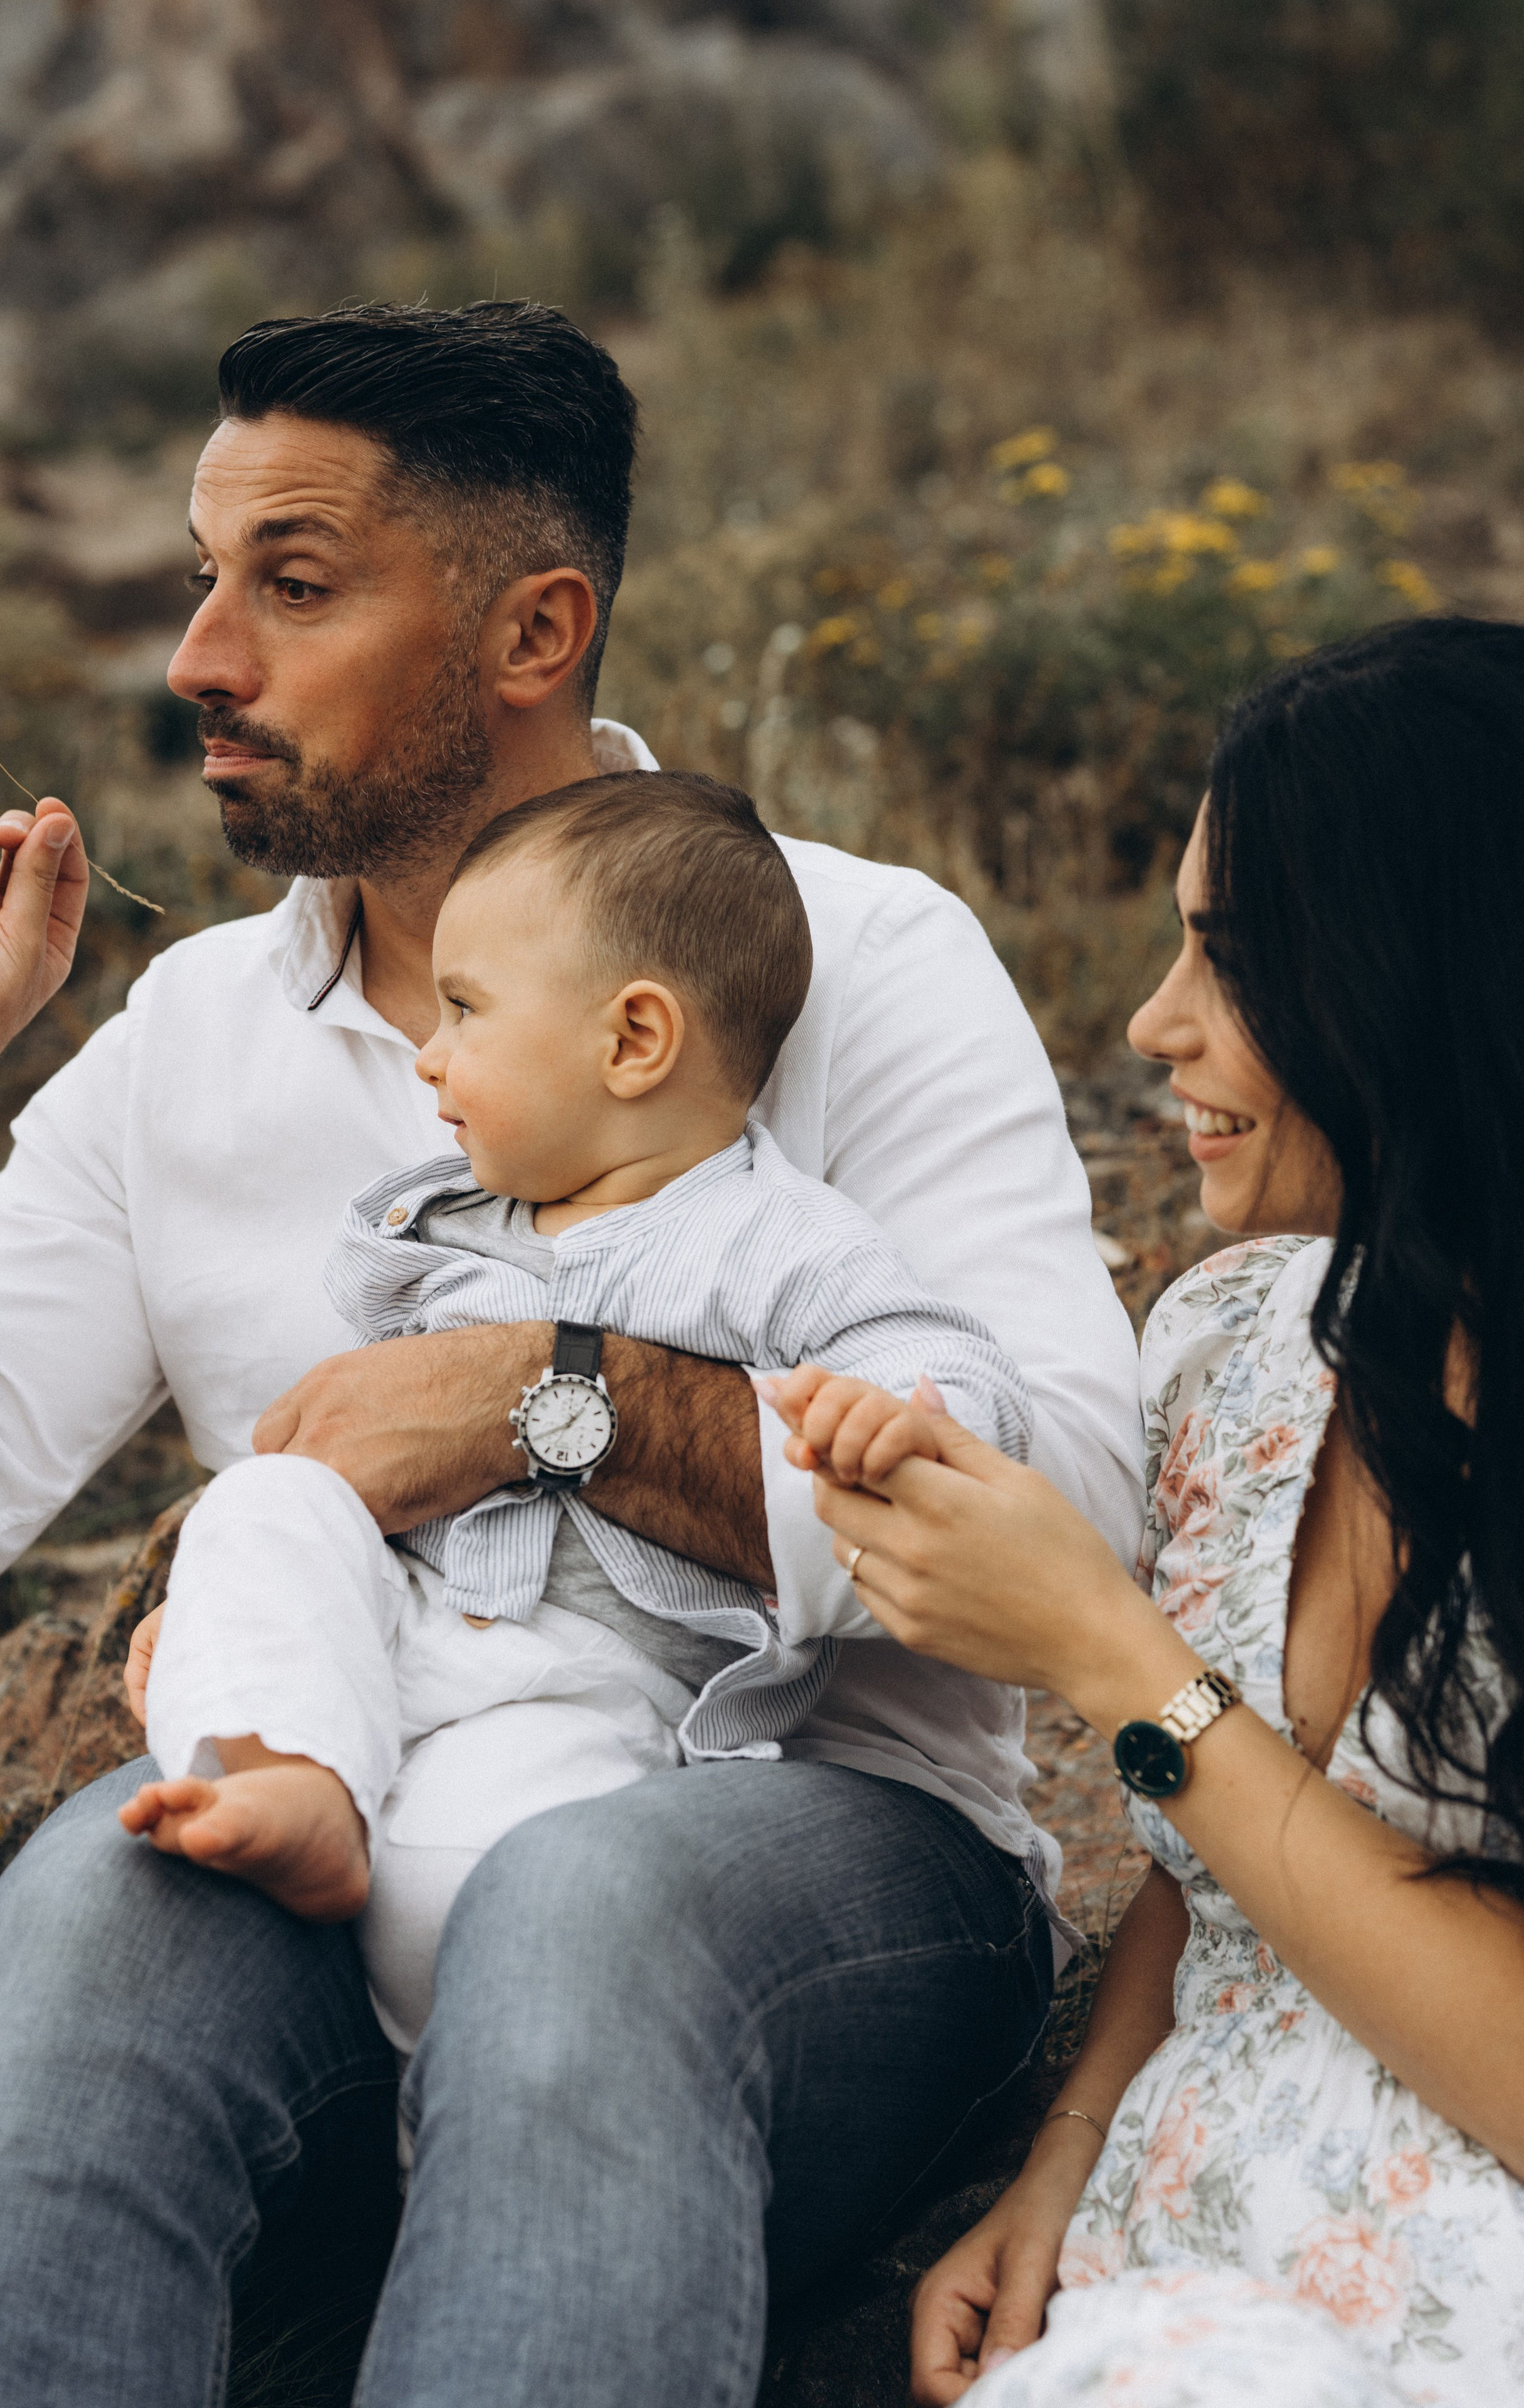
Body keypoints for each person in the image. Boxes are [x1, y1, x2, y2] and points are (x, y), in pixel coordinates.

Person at [0, 300, 1140, 2405]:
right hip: (361, 1820)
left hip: (816, 1840)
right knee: (94, 1916)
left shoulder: (854, 952)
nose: (203, 658)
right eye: (207, 582)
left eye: (291, 590)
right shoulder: (187, 1041)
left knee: (591, 1907)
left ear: (535, 628)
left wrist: (538, 1401)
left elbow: (1077, 1531)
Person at [768, 615, 1524, 2405]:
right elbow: (1227, 1873)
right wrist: (1070, 2152)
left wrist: (1115, 1660)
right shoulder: (1241, 1342)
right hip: (1164, 2245)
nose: (1149, 1024)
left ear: (1425, 977)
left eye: (1232, 959)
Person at [127, 769, 1035, 2059]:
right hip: (407, 1627)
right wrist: (252, 1604)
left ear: (631, 1042)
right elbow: (371, 1473)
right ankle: (285, 1765)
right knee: (262, 1506)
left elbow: (962, 1383)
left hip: (584, 1677)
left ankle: (433, 2122)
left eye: (462, 1011)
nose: (429, 1056)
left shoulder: (770, 1238)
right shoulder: (448, 1222)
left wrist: (886, 1416)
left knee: (465, 1881)